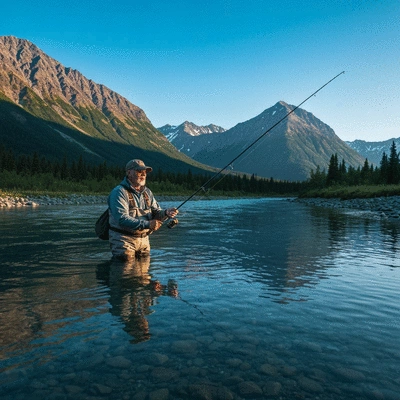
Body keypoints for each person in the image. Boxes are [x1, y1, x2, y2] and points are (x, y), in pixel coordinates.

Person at [108, 159, 178, 260]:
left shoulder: (147, 192)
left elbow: (157, 212)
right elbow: (122, 218)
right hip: (123, 240)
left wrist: (166, 213)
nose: (143, 174)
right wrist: (148, 224)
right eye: (139, 171)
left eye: (145, 172)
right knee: (126, 270)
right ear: (129, 173)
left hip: (144, 240)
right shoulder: (119, 192)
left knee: (144, 274)